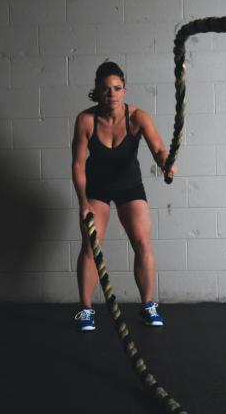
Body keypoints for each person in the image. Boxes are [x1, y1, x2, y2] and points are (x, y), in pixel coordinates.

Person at [71, 61, 176, 331]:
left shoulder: (137, 117)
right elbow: (78, 165)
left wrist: (166, 163)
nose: (112, 94)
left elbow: (159, 149)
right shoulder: (86, 120)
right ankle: (85, 310)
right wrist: (83, 202)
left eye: (117, 88)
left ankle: (148, 305)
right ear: (98, 91)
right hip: (97, 188)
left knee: (143, 241)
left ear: (125, 91)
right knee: (90, 245)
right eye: (106, 89)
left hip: (129, 186)